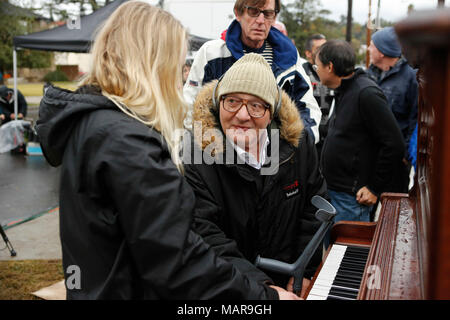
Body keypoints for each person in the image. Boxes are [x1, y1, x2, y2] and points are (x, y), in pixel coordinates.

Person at [36, 2, 298, 300]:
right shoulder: (127, 142)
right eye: (174, 63)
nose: (178, 76)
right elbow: (179, 263)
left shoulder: (93, 123)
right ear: (153, 62)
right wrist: (265, 298)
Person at [184, 53, 327, 297]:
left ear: (272, 113)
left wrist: (302, 272)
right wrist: (264, 291)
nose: (242, 115)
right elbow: (207, 238)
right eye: (232, 101)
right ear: (219, 103)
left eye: (256, 105)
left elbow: (314, 210)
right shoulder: (195, 157)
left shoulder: (298, 146)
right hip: (232, 292)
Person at [184, 0, 321, 145]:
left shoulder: (289, 58)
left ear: (274, 17)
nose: (261, 20)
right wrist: (208, 149)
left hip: (275, 158)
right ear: (238, 13)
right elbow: (190, 106)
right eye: (253, 11)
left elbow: (309, 109)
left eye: (268, 14)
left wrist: (294, 149)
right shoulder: (212, 53)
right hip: (221, 156)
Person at [315, 40, 404, 223]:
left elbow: (394, 143)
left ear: (330, 67)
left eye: (318, 66)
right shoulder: (344, 91)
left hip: (351, 199)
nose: (316, 70)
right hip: (334, 192)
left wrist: (374, 187)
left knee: (347, 249)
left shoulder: (366, 93)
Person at [367, 27, 418, 193]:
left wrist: (405, 154)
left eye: (372, 45)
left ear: (382, 51)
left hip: (397, 160)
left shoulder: (411, 77)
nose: (368, 49)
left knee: (394, 204)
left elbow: (415, 117)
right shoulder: (369, 75)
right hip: (370, 156)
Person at [302, 34, 334, 158]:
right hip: (308, 138)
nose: (325, 52)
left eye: (327, 47)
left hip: (330, 139)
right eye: (320, 48)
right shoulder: (300, 73)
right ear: (308, 53)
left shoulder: (333, 71)